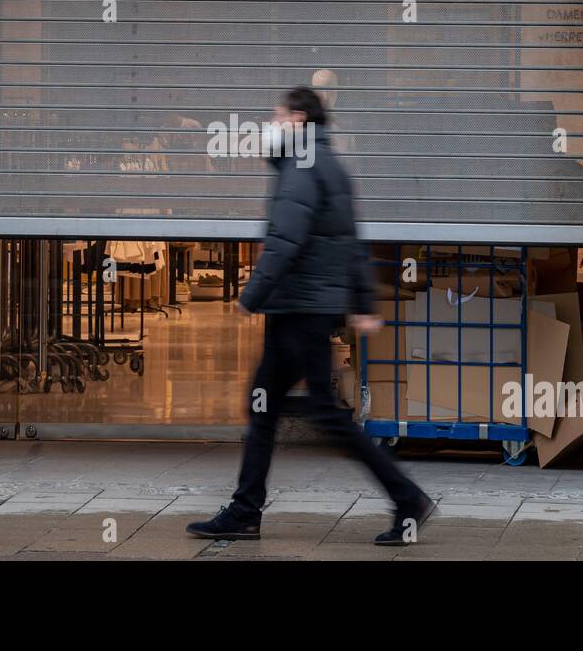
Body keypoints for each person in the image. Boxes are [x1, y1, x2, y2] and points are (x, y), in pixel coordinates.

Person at [186, 86, 435, 546]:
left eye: (278, 117)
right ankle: (245, 511)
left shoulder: (301, 166)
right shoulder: (330, 164)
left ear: (298, 119)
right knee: (264, 406)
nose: (272, 125)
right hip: (306, 308)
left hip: (299, 309)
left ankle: (407, 499)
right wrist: (362, 302)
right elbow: (350, 238)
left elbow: (285, 238)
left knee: (320, 412)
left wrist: (251, 295)